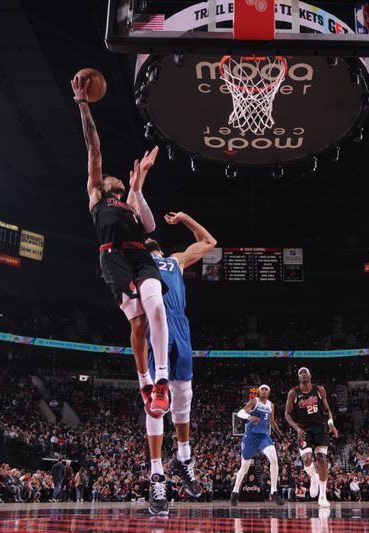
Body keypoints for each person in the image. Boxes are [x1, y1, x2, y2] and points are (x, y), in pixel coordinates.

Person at [72, 73, 170, 416]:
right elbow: (94, 147)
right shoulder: (98, 195)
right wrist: (83, 105)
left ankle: (160, 381)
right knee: (139, 323)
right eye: (109, 175)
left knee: (156, 307)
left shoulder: (128, 201)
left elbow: (149, 225)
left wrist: (139, 184)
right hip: (112, 258)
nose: (111, 174)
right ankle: (143, 380)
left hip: (139, 253)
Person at [137, 211, 216, 515]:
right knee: (159, 401)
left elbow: (210, 242)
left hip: (179, 323)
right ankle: (157, 475)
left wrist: (184, 217)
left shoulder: (175, 261)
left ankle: (184, 457)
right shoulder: (140, 263)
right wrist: (183, 219)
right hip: (157, 324)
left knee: (184, 394)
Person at [284, 367, 339, 508]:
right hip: (303, 429)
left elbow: (327, 411)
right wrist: (297, 428)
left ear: (310, 375)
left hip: (320, 427)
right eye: (300, 373)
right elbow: (287, 415)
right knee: (307, 459)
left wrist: (331, 424)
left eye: (305, 372)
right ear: (298, 378)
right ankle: (313, 478)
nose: (303, 374)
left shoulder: (319, 390)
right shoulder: (293, 393)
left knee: (321, 459)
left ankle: (322, 496)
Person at [230, 385, 285, 507]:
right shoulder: (255, 401)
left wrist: (279, 434)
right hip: (250, 437)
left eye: (266, 389)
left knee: (274, 459)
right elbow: (240, 412)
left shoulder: (271, 405)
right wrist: (249, 416)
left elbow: (271, 421)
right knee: (244, 467)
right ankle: (235, 492)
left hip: (264, 437)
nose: (264, 391)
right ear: (259, 392)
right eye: (262, 389)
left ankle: (274, 491)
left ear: (269, 392)